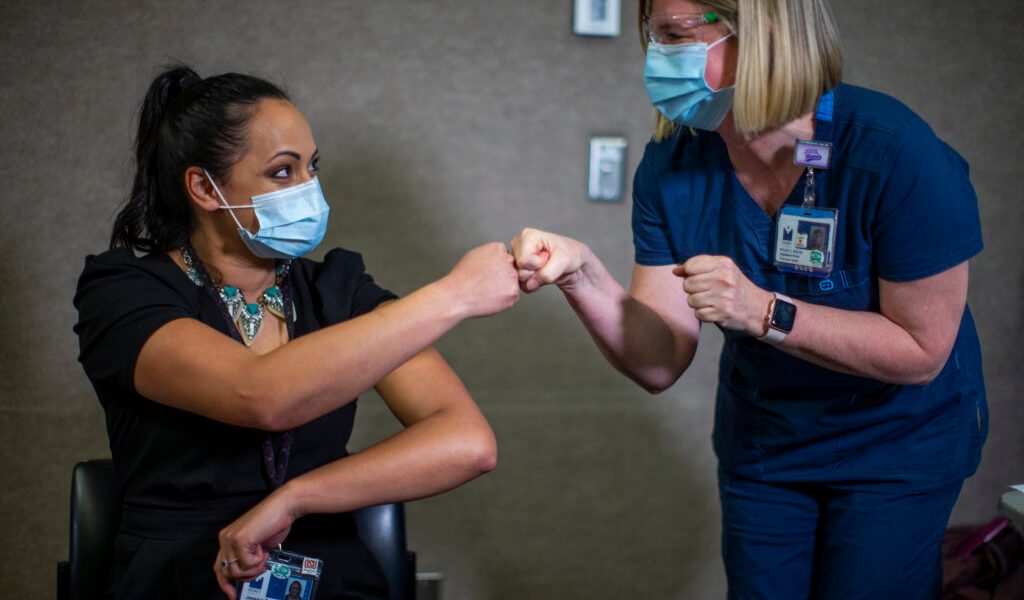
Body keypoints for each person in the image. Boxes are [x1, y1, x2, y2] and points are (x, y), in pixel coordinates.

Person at [511, 0, 986, 598]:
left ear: (764, 34)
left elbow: (921, 351)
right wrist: (581, 275)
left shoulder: (892, 151)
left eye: (677, 36)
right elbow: (659, 360)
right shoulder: (672, 165)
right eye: (654, 38)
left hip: (897, 445)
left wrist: (765, 312)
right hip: (769, 444)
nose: (658, 58)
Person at [73, 65, 519, 600]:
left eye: (312, 167)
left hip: (328, 573)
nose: (309, 189)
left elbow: (468, 443)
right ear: (204, 188)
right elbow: (262, 395)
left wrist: (298, 497)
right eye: (283, 172)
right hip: (183, 577)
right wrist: (455, 295)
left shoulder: (338, 289)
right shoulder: (124, 290)